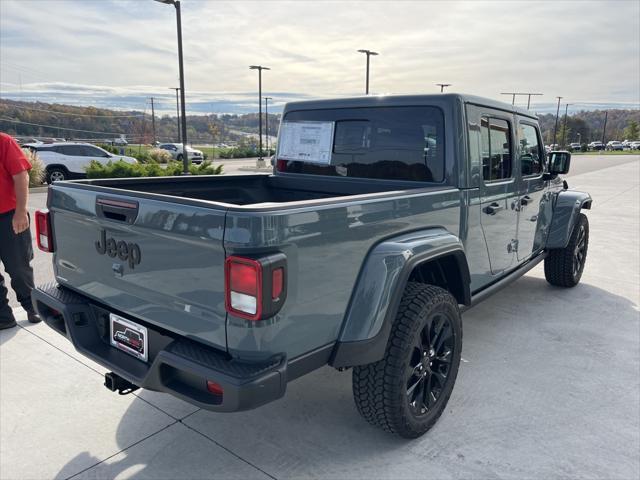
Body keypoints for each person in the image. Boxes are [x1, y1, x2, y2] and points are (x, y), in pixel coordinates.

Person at [0, 132, 40, 329]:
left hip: (8, 217)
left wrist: (21, 211)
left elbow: (21, 176)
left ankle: (32, 307)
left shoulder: (4, 142)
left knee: (19, 267)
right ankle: (3, 318)